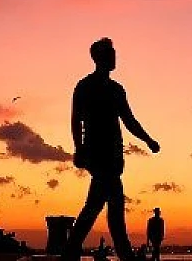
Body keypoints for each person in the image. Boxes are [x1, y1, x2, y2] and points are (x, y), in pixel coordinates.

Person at [64, 37, 161, 261]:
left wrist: (148, 140)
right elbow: (75, 120)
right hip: (97, 156)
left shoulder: (117, 90)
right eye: (110, 54)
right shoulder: (85, 86)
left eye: (114, 53)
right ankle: (123, 253)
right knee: (111, 205)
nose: (114, 57)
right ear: (99, 58)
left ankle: (72, 251)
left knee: (98, 205)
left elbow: (128, 120)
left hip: (114, 155)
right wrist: (79, 149)